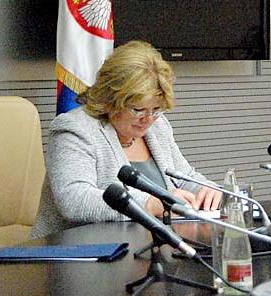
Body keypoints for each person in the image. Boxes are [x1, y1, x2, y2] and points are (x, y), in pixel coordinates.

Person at [31, 40, 222, 238]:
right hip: (79, 253)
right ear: (111, 99)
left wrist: (208, 190)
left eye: (156, 109)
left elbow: (183, 178)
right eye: (137, 109)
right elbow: (74, 198)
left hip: (146, 248)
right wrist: (150, 203)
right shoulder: (75, 128)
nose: (148, 119)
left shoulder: (158, 127)